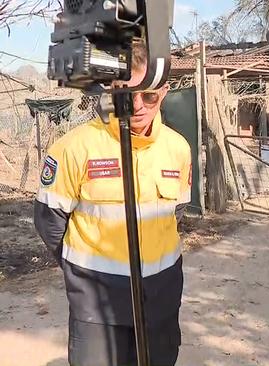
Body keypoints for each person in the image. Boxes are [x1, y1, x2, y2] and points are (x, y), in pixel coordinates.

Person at [34, 39, 191, 366]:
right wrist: (84, 271)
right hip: (97, 306)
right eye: (125, 94)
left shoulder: (178, 149)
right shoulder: (74, 148)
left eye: (148, 95)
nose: (137, 106)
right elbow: (49, 221)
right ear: (111, 88)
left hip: (161, 300)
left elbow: (175, 214)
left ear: (163, 92)